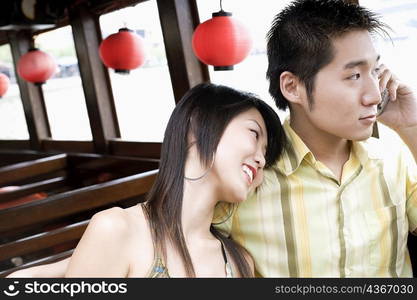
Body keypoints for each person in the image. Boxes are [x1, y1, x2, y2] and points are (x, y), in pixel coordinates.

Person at [217, 0, 417, 277]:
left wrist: (411, 126)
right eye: (354, 75)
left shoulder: (394, 155)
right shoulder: (247, 175)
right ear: (292, 87)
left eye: (375, 71)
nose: (374, 95)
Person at [7, 83, 286, 278]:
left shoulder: (238, 263)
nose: (261, 159)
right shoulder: (117, 229)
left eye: (266, 154)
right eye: (253, 134)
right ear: (197, 125)